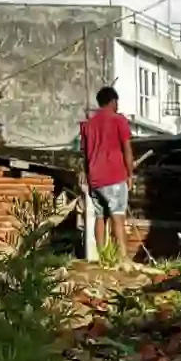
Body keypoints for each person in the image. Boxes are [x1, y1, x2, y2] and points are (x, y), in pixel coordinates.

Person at [77, 84, 134, 257]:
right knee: (118, 216)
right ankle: (123, 258)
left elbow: (85, 154)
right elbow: (127, 149)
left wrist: (87, 174)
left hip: (95, 179)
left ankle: (102, 257)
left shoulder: (88, 125)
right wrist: (130, 174)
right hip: (114, 176)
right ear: (113, 101)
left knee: (100, 216)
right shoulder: (119, 120)